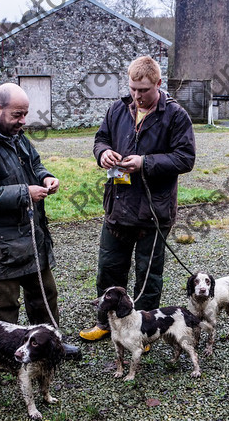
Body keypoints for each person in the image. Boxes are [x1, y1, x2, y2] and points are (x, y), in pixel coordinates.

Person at [0, 82, 80, 357]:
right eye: (17, 115)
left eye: (25, 114)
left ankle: (50, 346)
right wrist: (26, 192)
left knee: (44, 296)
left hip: (32, 236)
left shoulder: (17, 137)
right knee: (3, 308)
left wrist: (45, 177)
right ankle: (5, 356)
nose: (23, 121)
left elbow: (35, 164)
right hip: (1, 246)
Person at [79, 56, 196, 341]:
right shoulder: (118, 109)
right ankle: (107, 324)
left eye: (143, 90)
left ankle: (143, 333)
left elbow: (186, 158)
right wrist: (103, 153)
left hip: (153, 213)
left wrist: (145, 162)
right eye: (132, 88)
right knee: (109, 270)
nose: (136, 95)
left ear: (158, 83)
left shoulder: (176, 116)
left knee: (148, 276)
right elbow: (100, 138)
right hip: (117, 207)